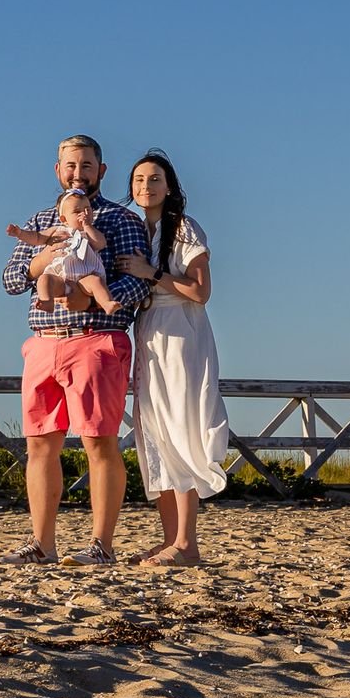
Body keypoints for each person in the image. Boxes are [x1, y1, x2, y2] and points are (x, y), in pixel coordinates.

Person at [0, 135, 153, 566]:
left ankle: (101, 545)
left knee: (99, 443)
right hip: (45, 343)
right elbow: (11, 281)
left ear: (101, 171)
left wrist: (90, 299)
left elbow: (139, 283)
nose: (78, 173)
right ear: (57, 170)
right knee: (40, 446)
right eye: (70, 165)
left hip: (96, 341)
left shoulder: (120, 222)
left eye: (87, 165)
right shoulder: (42, 219)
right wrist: (40, 259)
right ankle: (42, 544)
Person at [120, 149, 230, 566]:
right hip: (147, 333)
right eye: (139, 180)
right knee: (155, 435)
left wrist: (153, 275)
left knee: (181, 429)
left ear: (169, 187)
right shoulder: (132, 230)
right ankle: (171, 540)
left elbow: (201, 291)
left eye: (154, 179)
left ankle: (187, 543)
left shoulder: (183, 228)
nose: (145, 187)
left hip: (182, 333)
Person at [5, 187, 119, 314]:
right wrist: (20, 233)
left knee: (96, 282)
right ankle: (47, 302)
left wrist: (88, 227)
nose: (84, 214)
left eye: (88, 209)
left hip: (85, 276)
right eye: (78, 211)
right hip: (60, 277)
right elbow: (37, 237)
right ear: (64, 219)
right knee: (44, 280)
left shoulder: (88, 232)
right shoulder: (57, 230)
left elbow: (100, 244)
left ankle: (106, 303)